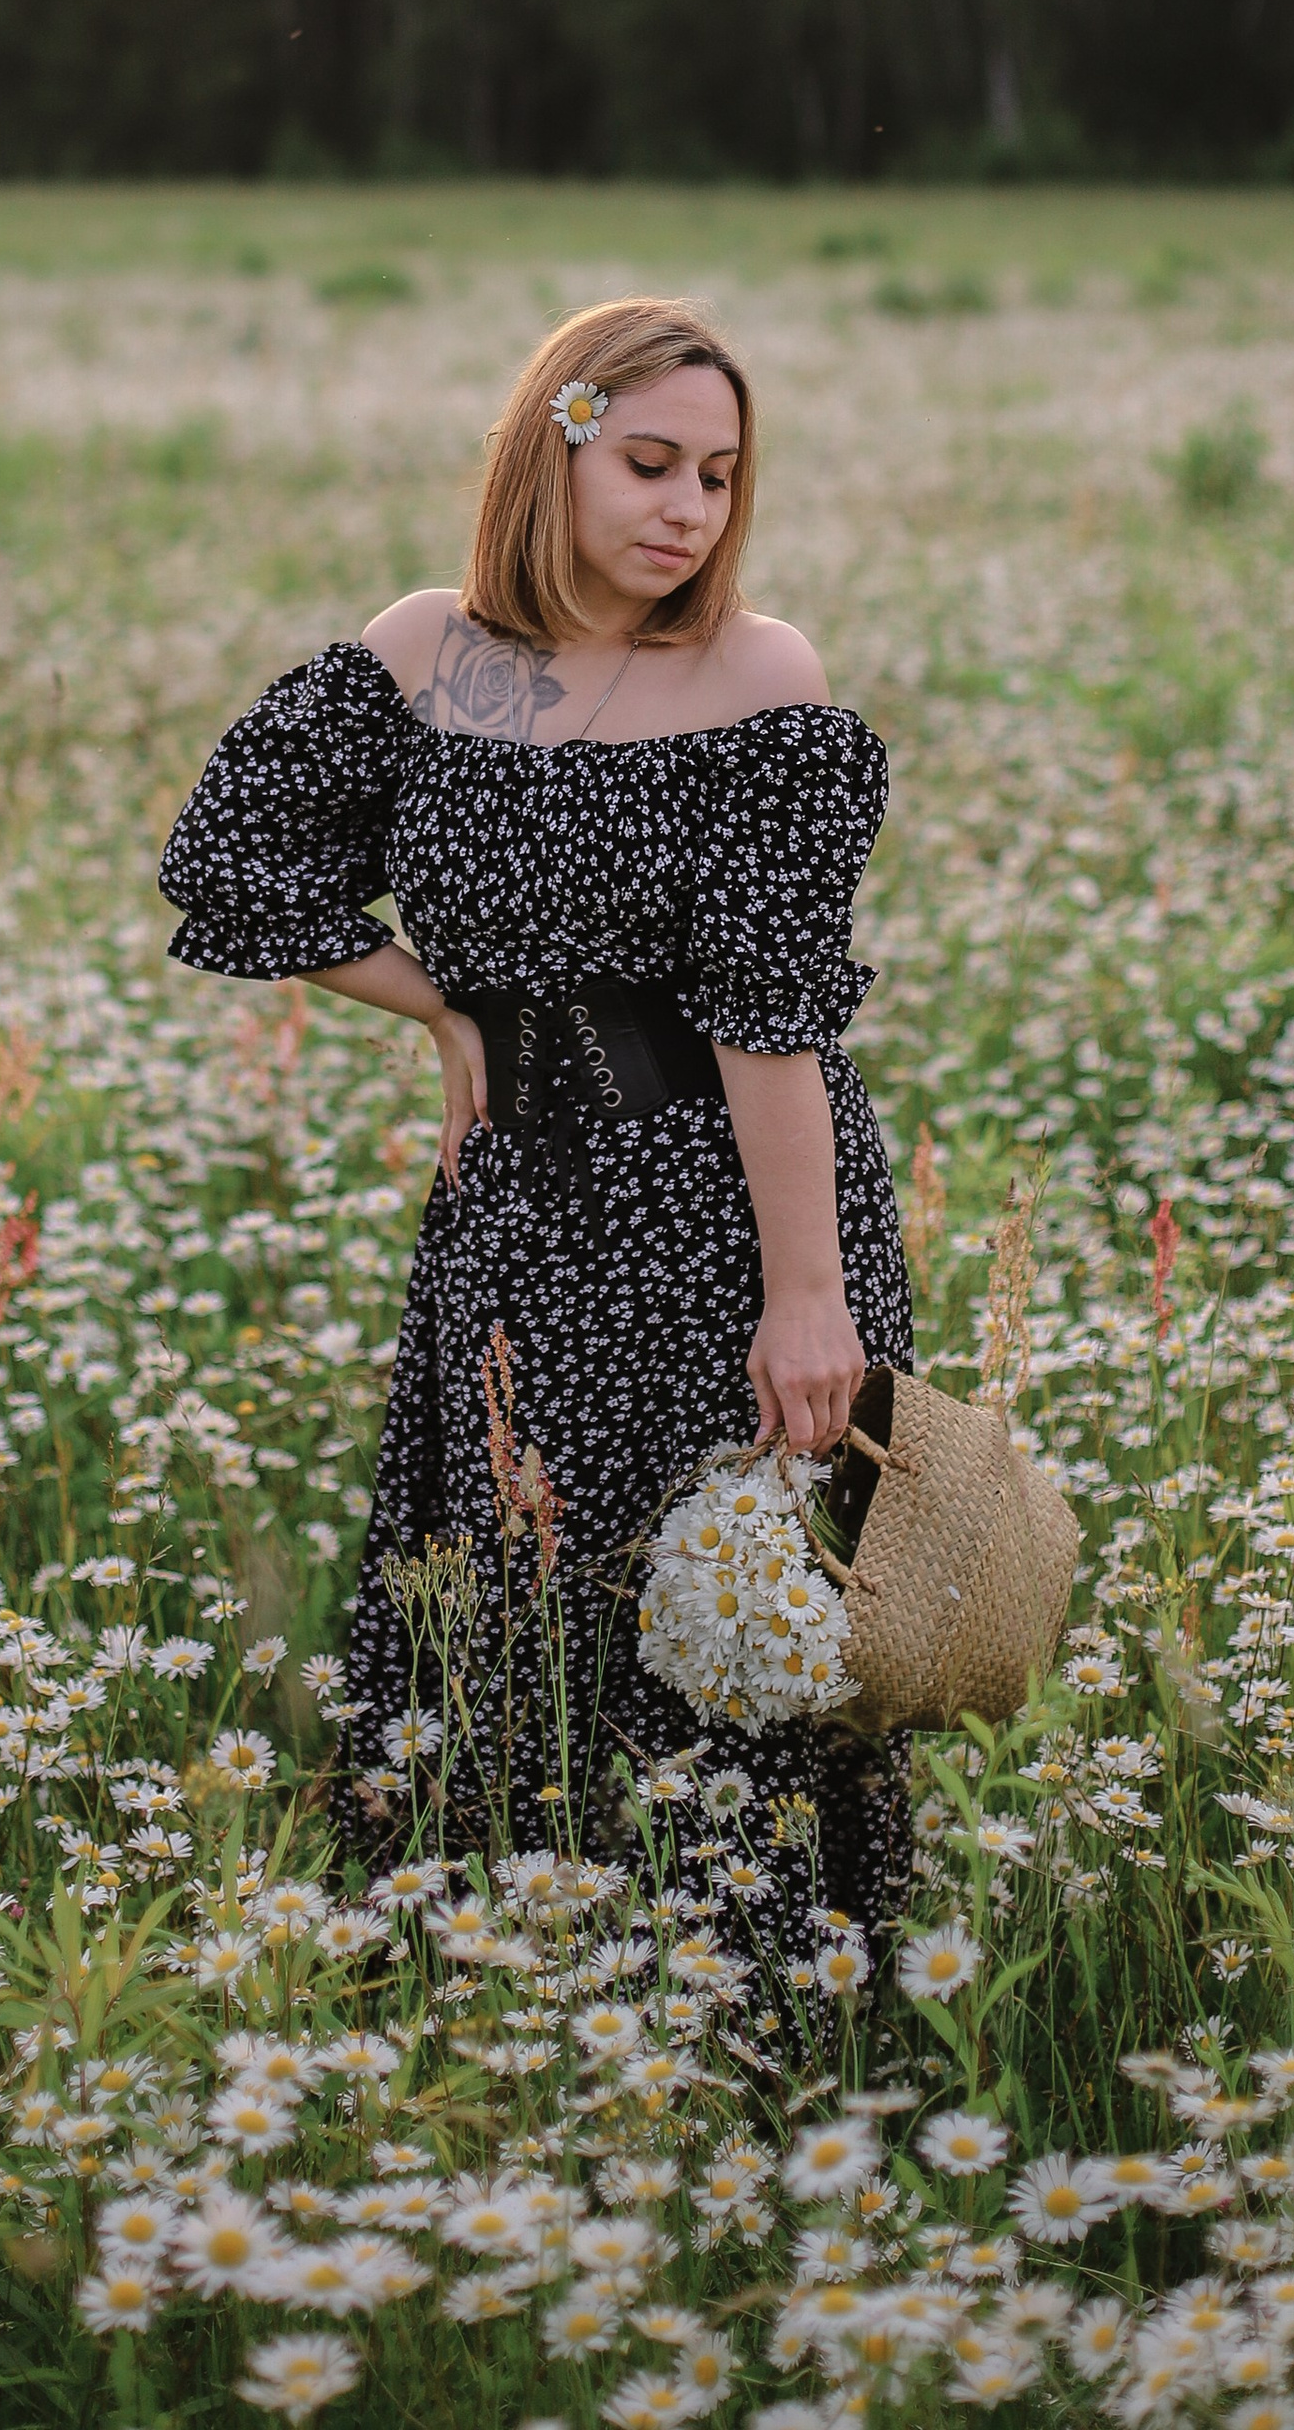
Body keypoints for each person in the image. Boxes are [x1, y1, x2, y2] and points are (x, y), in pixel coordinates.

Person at [157, 295, 913, 1952]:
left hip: (728, 1206)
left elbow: (768, 1022)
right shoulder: (434, 655)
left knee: (728, 1610)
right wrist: (442, 1002)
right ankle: (516, 1967)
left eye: (718, 478)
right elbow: (228, 862)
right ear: (547, 450)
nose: (687, 512)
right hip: (518, 1212)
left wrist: (810, 1298)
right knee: (513, 1584)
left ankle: (761, 1995)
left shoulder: (754, 675)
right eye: (650, 464)